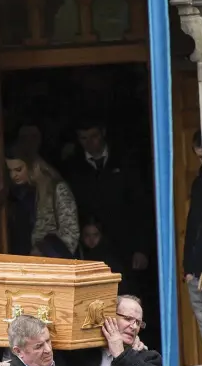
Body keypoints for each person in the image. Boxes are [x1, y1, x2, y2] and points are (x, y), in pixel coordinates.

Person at [65, 118, 151, 279]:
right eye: (83, 138)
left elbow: (141, 206)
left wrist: (141, 249)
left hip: (125, 246)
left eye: (93, 136)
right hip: (90, 249)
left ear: (103, 133)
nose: (89, 142)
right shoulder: (73, 167)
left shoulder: (126, 160)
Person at [5, 146, 79, 258]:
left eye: (18, 169)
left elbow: (71, 232)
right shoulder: (13, 193)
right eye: (9, 170)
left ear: (32, 165)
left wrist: (45, 252)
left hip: (50, 261)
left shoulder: (56, 189)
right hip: (21, 260)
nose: (13, 175)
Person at [183, 130, 202, 363]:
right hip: (196, 271)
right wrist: (188, 268)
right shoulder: (198, 183)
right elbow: (193, 225)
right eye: (199, 157)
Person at [79, 216, 128, 292]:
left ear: (101, 235)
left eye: (95, 235)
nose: (91, 239)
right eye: (87, 235)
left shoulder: (111, 258)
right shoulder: (79, 256)